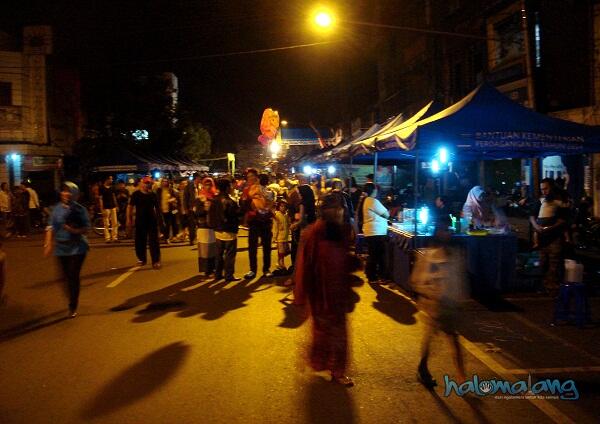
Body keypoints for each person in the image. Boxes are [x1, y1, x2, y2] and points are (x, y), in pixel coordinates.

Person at [295, 193, 361, 386]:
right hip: (320, 294)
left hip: (339, 293)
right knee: (322, 334)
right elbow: (304, 265)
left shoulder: (342, 232)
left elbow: (345, 259)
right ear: (324, 211)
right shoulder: (313, 233)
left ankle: (337, 371)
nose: (337, 212)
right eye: (333, 208)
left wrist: (353, 265)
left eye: (340, 208)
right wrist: (300, 294)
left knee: (339, 334)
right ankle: (320, 363)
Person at [44, 182, 90, 318]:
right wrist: (48, 244)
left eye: (69, 191)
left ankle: (73, 305)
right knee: (64, 277)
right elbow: (50, 226)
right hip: (61, 248)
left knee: (73, 275)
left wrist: (74, 230)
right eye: (64, 191)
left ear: (74, 194)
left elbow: (87, 228)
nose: (66, 193)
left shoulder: (80, 210)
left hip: (77, 248)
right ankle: (72, 297)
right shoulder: (57, 209)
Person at [529, 178, 568, 293]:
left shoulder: (559, 201)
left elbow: (563, 219)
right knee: (542, 263)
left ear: (552, 188)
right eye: (542, 189)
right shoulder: (540, 201)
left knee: (554, 263)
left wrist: (551, 227)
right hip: (542, 238)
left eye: (546, 189)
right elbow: (532, 216)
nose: (544, 192)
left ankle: (552, 287)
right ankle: (542, 286)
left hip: (554, 238)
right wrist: (536, 227)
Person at [242, 169, 274, 279]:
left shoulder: (266, 189)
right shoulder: (247, 190)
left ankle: (266, 269)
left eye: (252, 176)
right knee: (252, 246)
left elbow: (271, 203)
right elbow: (244, 206)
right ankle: (252, 270)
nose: (250, 178)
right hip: (254, 221)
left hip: (265, 220)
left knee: (267, 246)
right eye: (248, 176)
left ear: (257, 177)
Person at [127, 176, 162, 269]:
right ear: (141, 183)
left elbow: (158, 209)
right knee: (139, 241)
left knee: (153, 241)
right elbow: (130, 207)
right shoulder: (136, 194)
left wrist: (160, 221)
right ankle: (142, 259)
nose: (147, 184)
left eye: (149, 183)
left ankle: (156, 260)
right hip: (140, 220)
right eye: (145, 183)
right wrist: (129, 219)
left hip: (152, 221)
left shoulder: (153, 195)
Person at [359, 182, 390, 283]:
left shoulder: (366, 200)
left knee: (373, 255)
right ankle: (376, 277)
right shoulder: (372, 201)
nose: (377, 190)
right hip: (376, 232)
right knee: (378, 256)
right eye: (376, 189)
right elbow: (386, 214)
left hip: (371, 231)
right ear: (373, 190)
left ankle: (371, 275)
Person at [212, 178, 241, 282]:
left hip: (218, 231)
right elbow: (236, 216)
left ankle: (218, 274)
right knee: (229, 254)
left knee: (219, 254)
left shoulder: (214, 200)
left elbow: (212, 216)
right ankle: (229, 275)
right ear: (227, 187)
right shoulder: (230, 202)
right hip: (229, 231)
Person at [99, 175, 119, 242]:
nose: (111, 180)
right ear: (106, 180)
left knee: (115, 223)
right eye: (110, 179)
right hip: (106, 207)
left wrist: (116, 205)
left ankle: (114, 237)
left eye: (112, 179)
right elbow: (101, 199)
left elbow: (114, 197)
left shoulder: (112, 187)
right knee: (106, 224)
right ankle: (107, 238)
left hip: (112, 207)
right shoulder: (101, 188)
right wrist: (102, 209)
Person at [273, 200, 291, 274]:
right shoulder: (277, 215)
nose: (283, 208)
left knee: (284, 252)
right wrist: (274, 237)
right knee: (281, 252)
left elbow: (288, 225)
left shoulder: (286, 215)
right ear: (278, 207)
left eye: (284, 206)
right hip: (279, 237)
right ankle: (281, 264)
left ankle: (279, 263)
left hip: (285, 237)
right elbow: (275, 227)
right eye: (281, 206)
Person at [184, 173, 201, 246]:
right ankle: (191, 239)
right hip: (191, 208)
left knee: (199, 224)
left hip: (199, 208)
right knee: (192, 225)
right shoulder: (189, 186)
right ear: (196, 178)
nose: (200, 180)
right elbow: (185, 197)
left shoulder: (200, 186)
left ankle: (198, 239)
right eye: (199, 178)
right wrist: (186, 208)